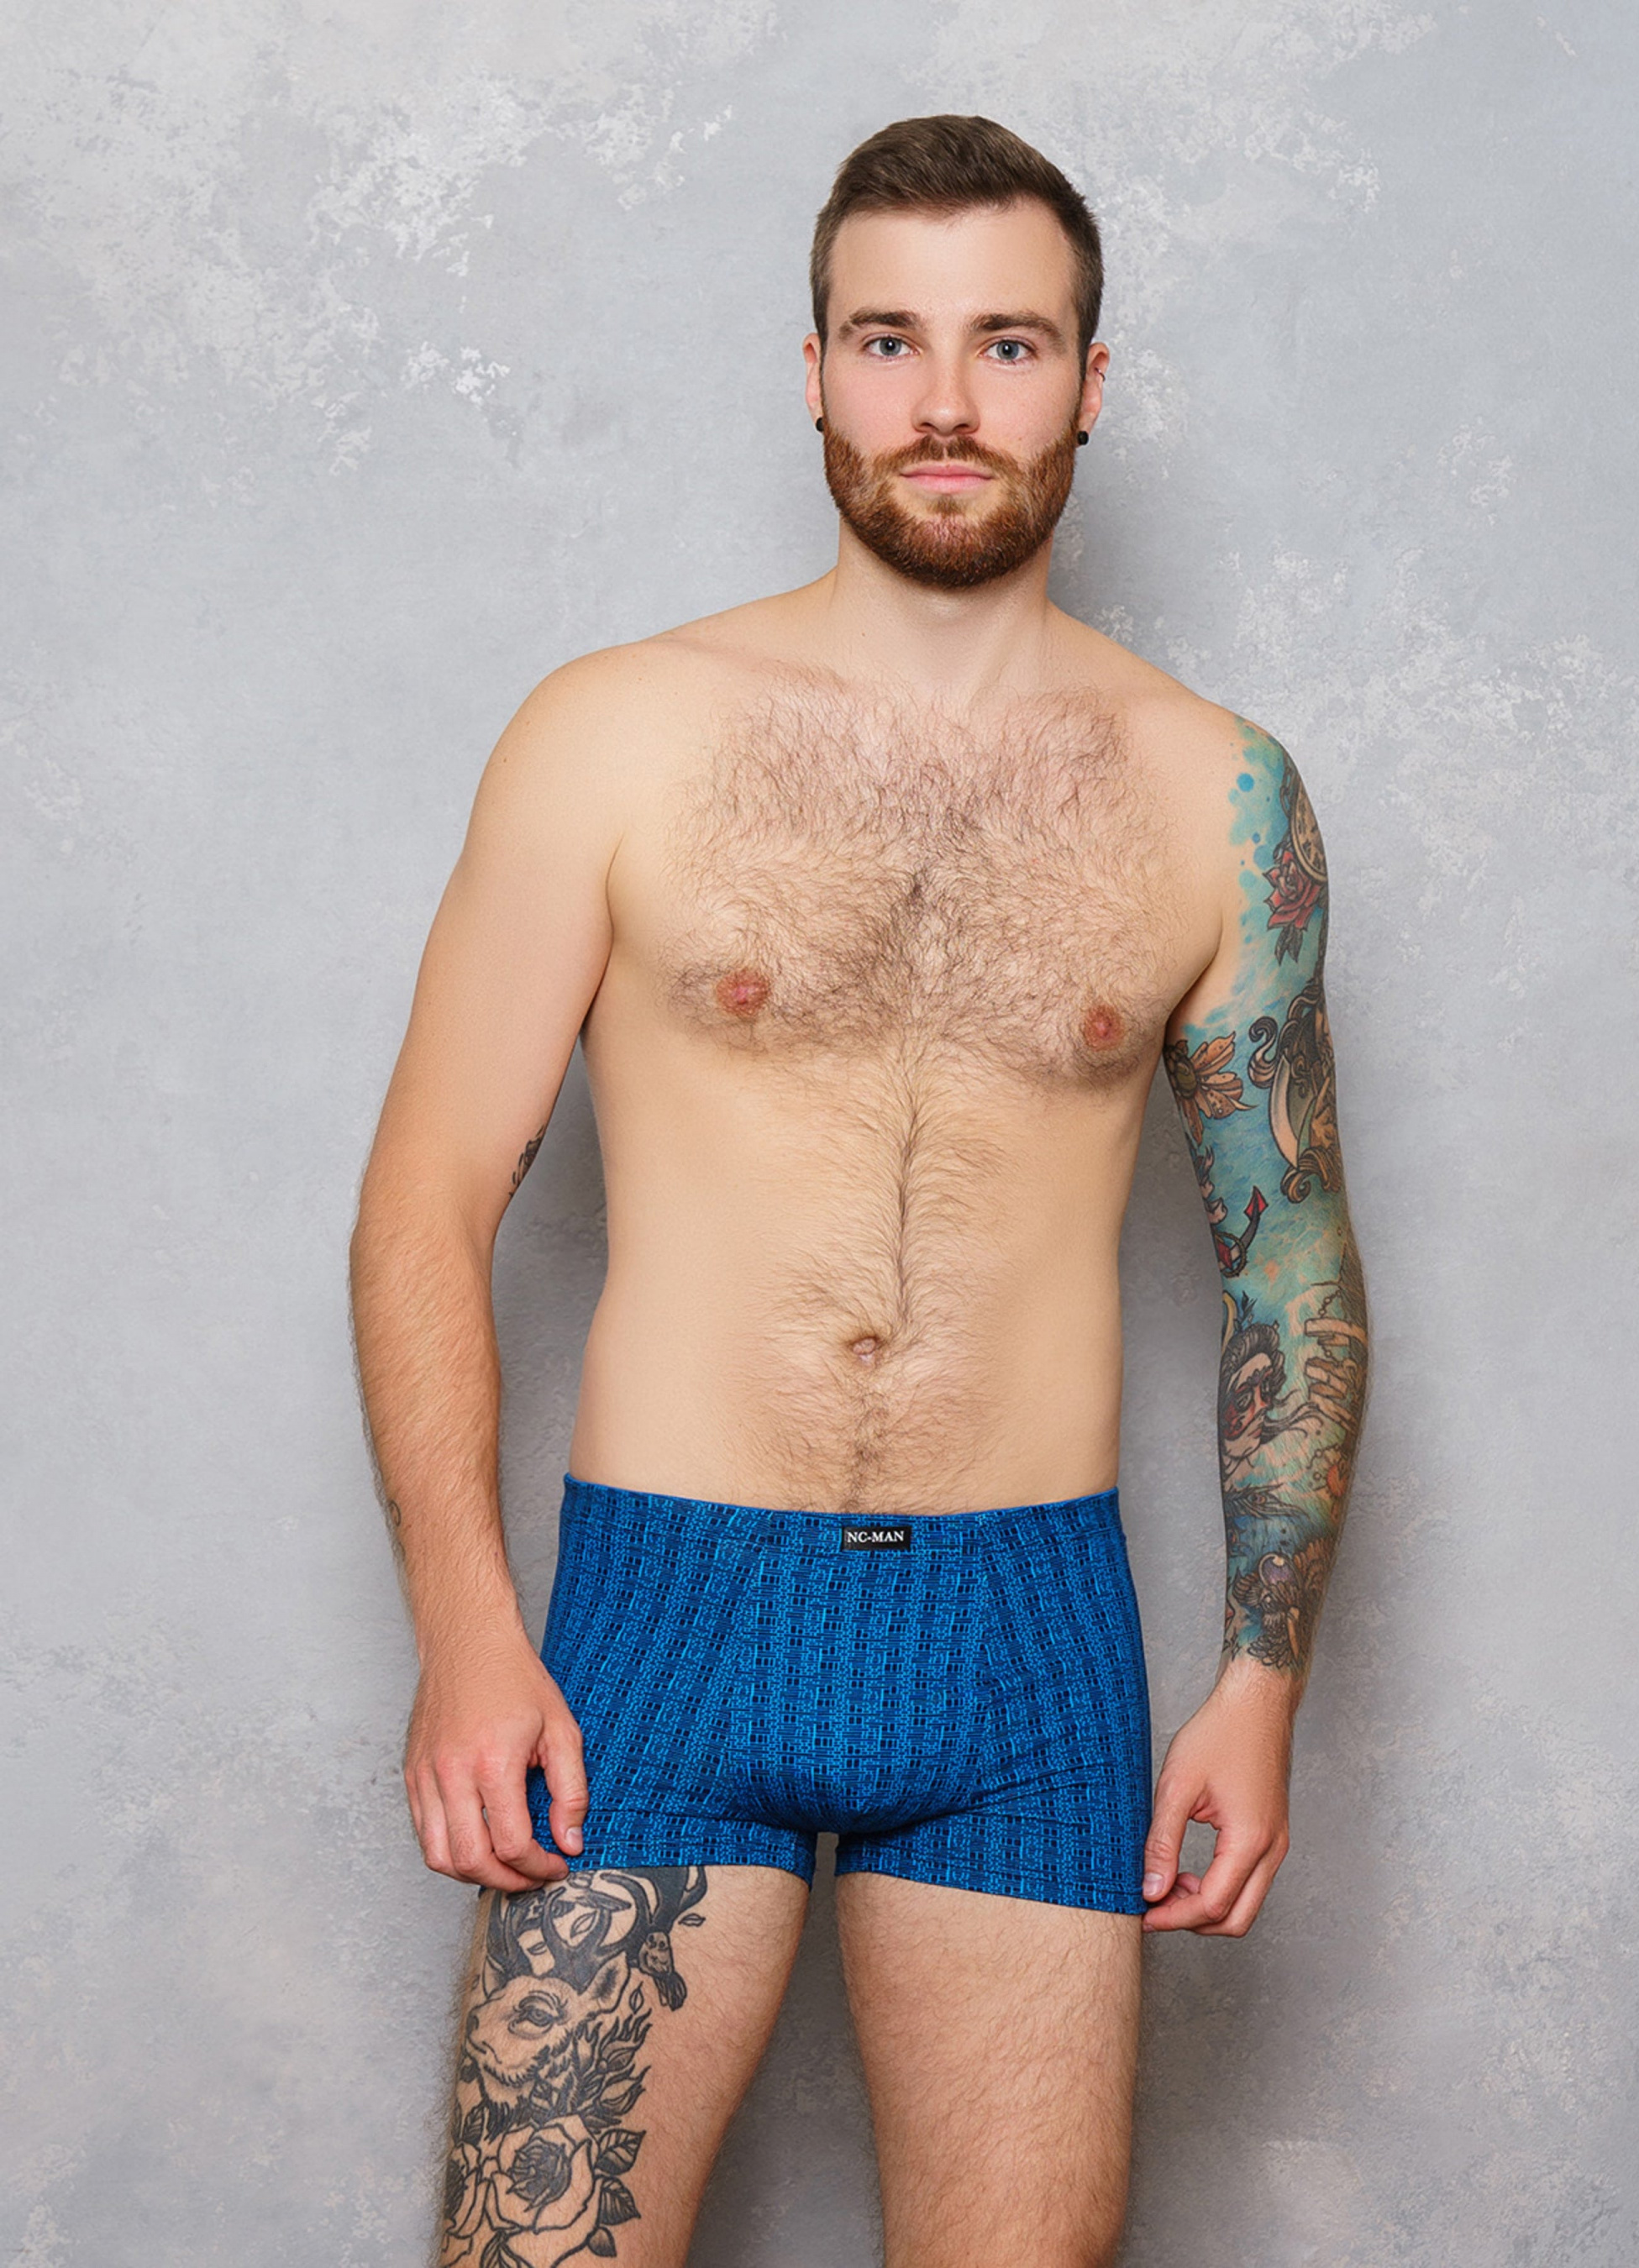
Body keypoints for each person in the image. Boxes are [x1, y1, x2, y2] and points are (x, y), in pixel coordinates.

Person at [349, 113, 1368, 2268]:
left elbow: (1287, 1265)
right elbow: (427, 1194)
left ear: (1087, 383)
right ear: (809, 367)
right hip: (655, 1632)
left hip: (1024, 1652)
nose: (943, 401)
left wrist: (1258, 1681)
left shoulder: (1217, 793)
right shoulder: (614, 731)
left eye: (1008, 343)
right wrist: (464, 1627)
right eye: (888, 340)